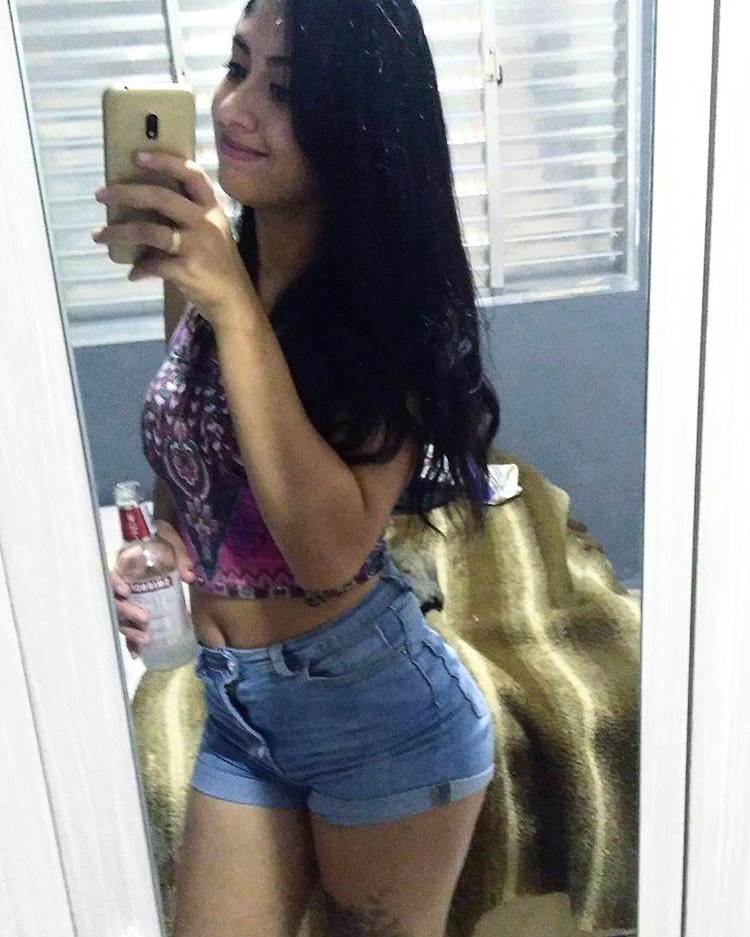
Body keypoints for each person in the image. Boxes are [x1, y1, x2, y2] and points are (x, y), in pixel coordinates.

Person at [99, 0, 501, 934]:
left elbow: (326, 552)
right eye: (237, 66)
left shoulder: (391, 316)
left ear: (357, 124)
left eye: (284, 91)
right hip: (237, 706)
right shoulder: (205, 276)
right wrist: (161, 556)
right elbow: (192, 479)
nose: (235, 107)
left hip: (379, 716)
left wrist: (236, 307)